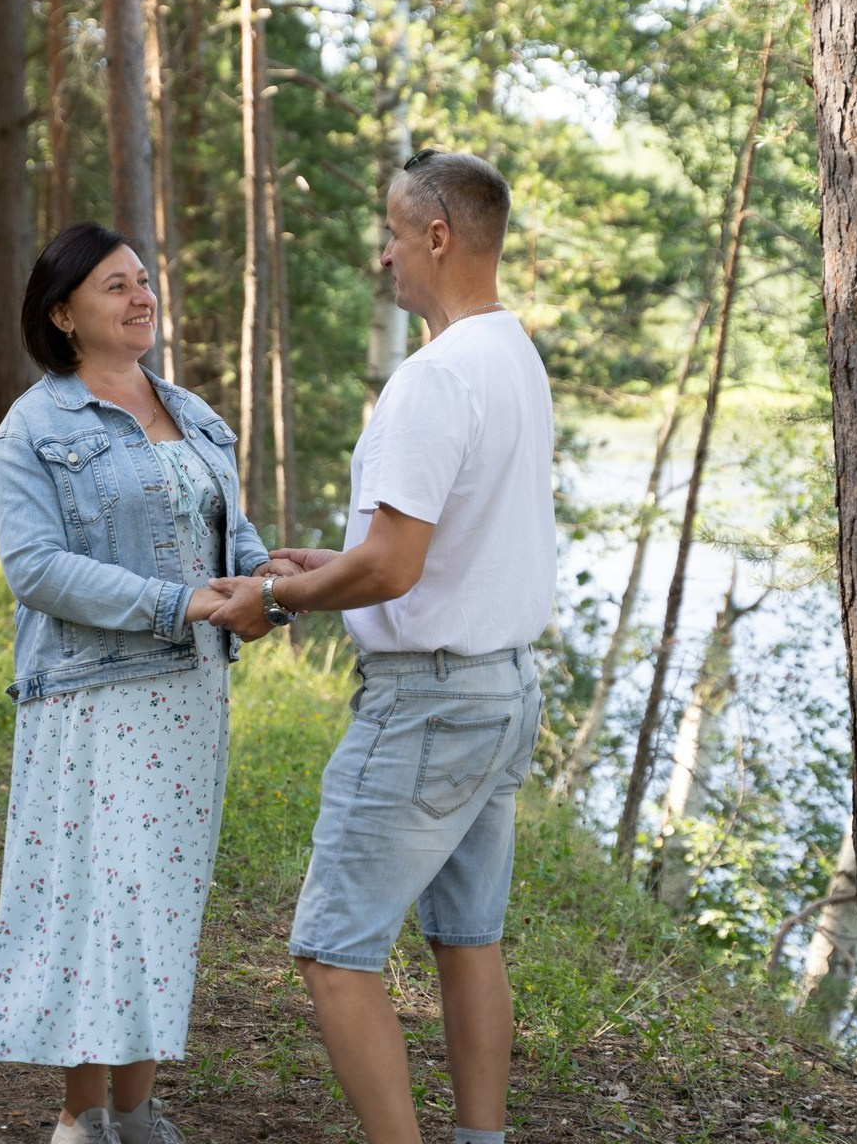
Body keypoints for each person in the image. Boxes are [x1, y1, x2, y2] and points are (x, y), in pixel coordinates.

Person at [208, 150, 556, 1144]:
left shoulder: (434, 379)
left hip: (430, 705)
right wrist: (340, 561)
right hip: (499, 692)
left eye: (394, 234)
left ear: (436, 237)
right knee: (467, 934)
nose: (384, 255)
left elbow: (395, 569)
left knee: (332, 949)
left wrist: (275, 596)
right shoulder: (511, 356)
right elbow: (440, 543)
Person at [0, 222, 291, 1144]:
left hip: (192, 701)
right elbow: (34, 568)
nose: (140, 295)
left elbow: (231, 540)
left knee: (160, 899)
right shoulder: (34, 427)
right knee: (92, 901)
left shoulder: (194, 415)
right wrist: (181, 603)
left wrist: (272, 590)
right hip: (93, 696)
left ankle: (138, 1107)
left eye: (143, 279)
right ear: (64, 314)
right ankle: (82, 1115)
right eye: (116, 286)